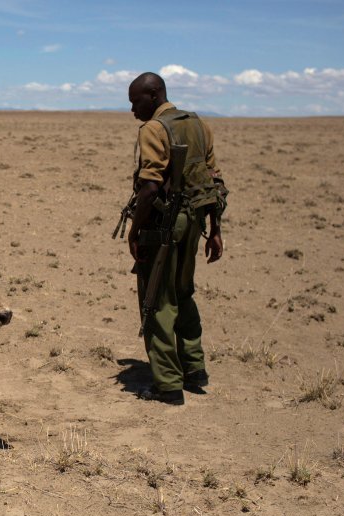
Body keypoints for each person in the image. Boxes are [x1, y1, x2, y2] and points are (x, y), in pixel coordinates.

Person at [125, 72, 227, 405]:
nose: (132, 110)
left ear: (153, 95)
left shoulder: (154, 129)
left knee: (157, 300)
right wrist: (215, 230)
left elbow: (151, 185)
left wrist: (135, 230)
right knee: (184, 293)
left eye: (135, 101)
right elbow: (213, 182)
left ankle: (167, 385)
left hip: (164, 226)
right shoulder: (199, 124)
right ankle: (194, 370)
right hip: (195, 222)